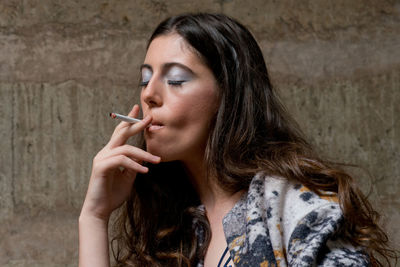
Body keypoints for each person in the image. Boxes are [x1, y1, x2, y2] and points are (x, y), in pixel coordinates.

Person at [79, 13, 397, 267]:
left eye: (175, 79)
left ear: (227, 95)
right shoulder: (174, 229)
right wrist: (94, 217)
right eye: (146, 79)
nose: (149, 94)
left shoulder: (301, 213)